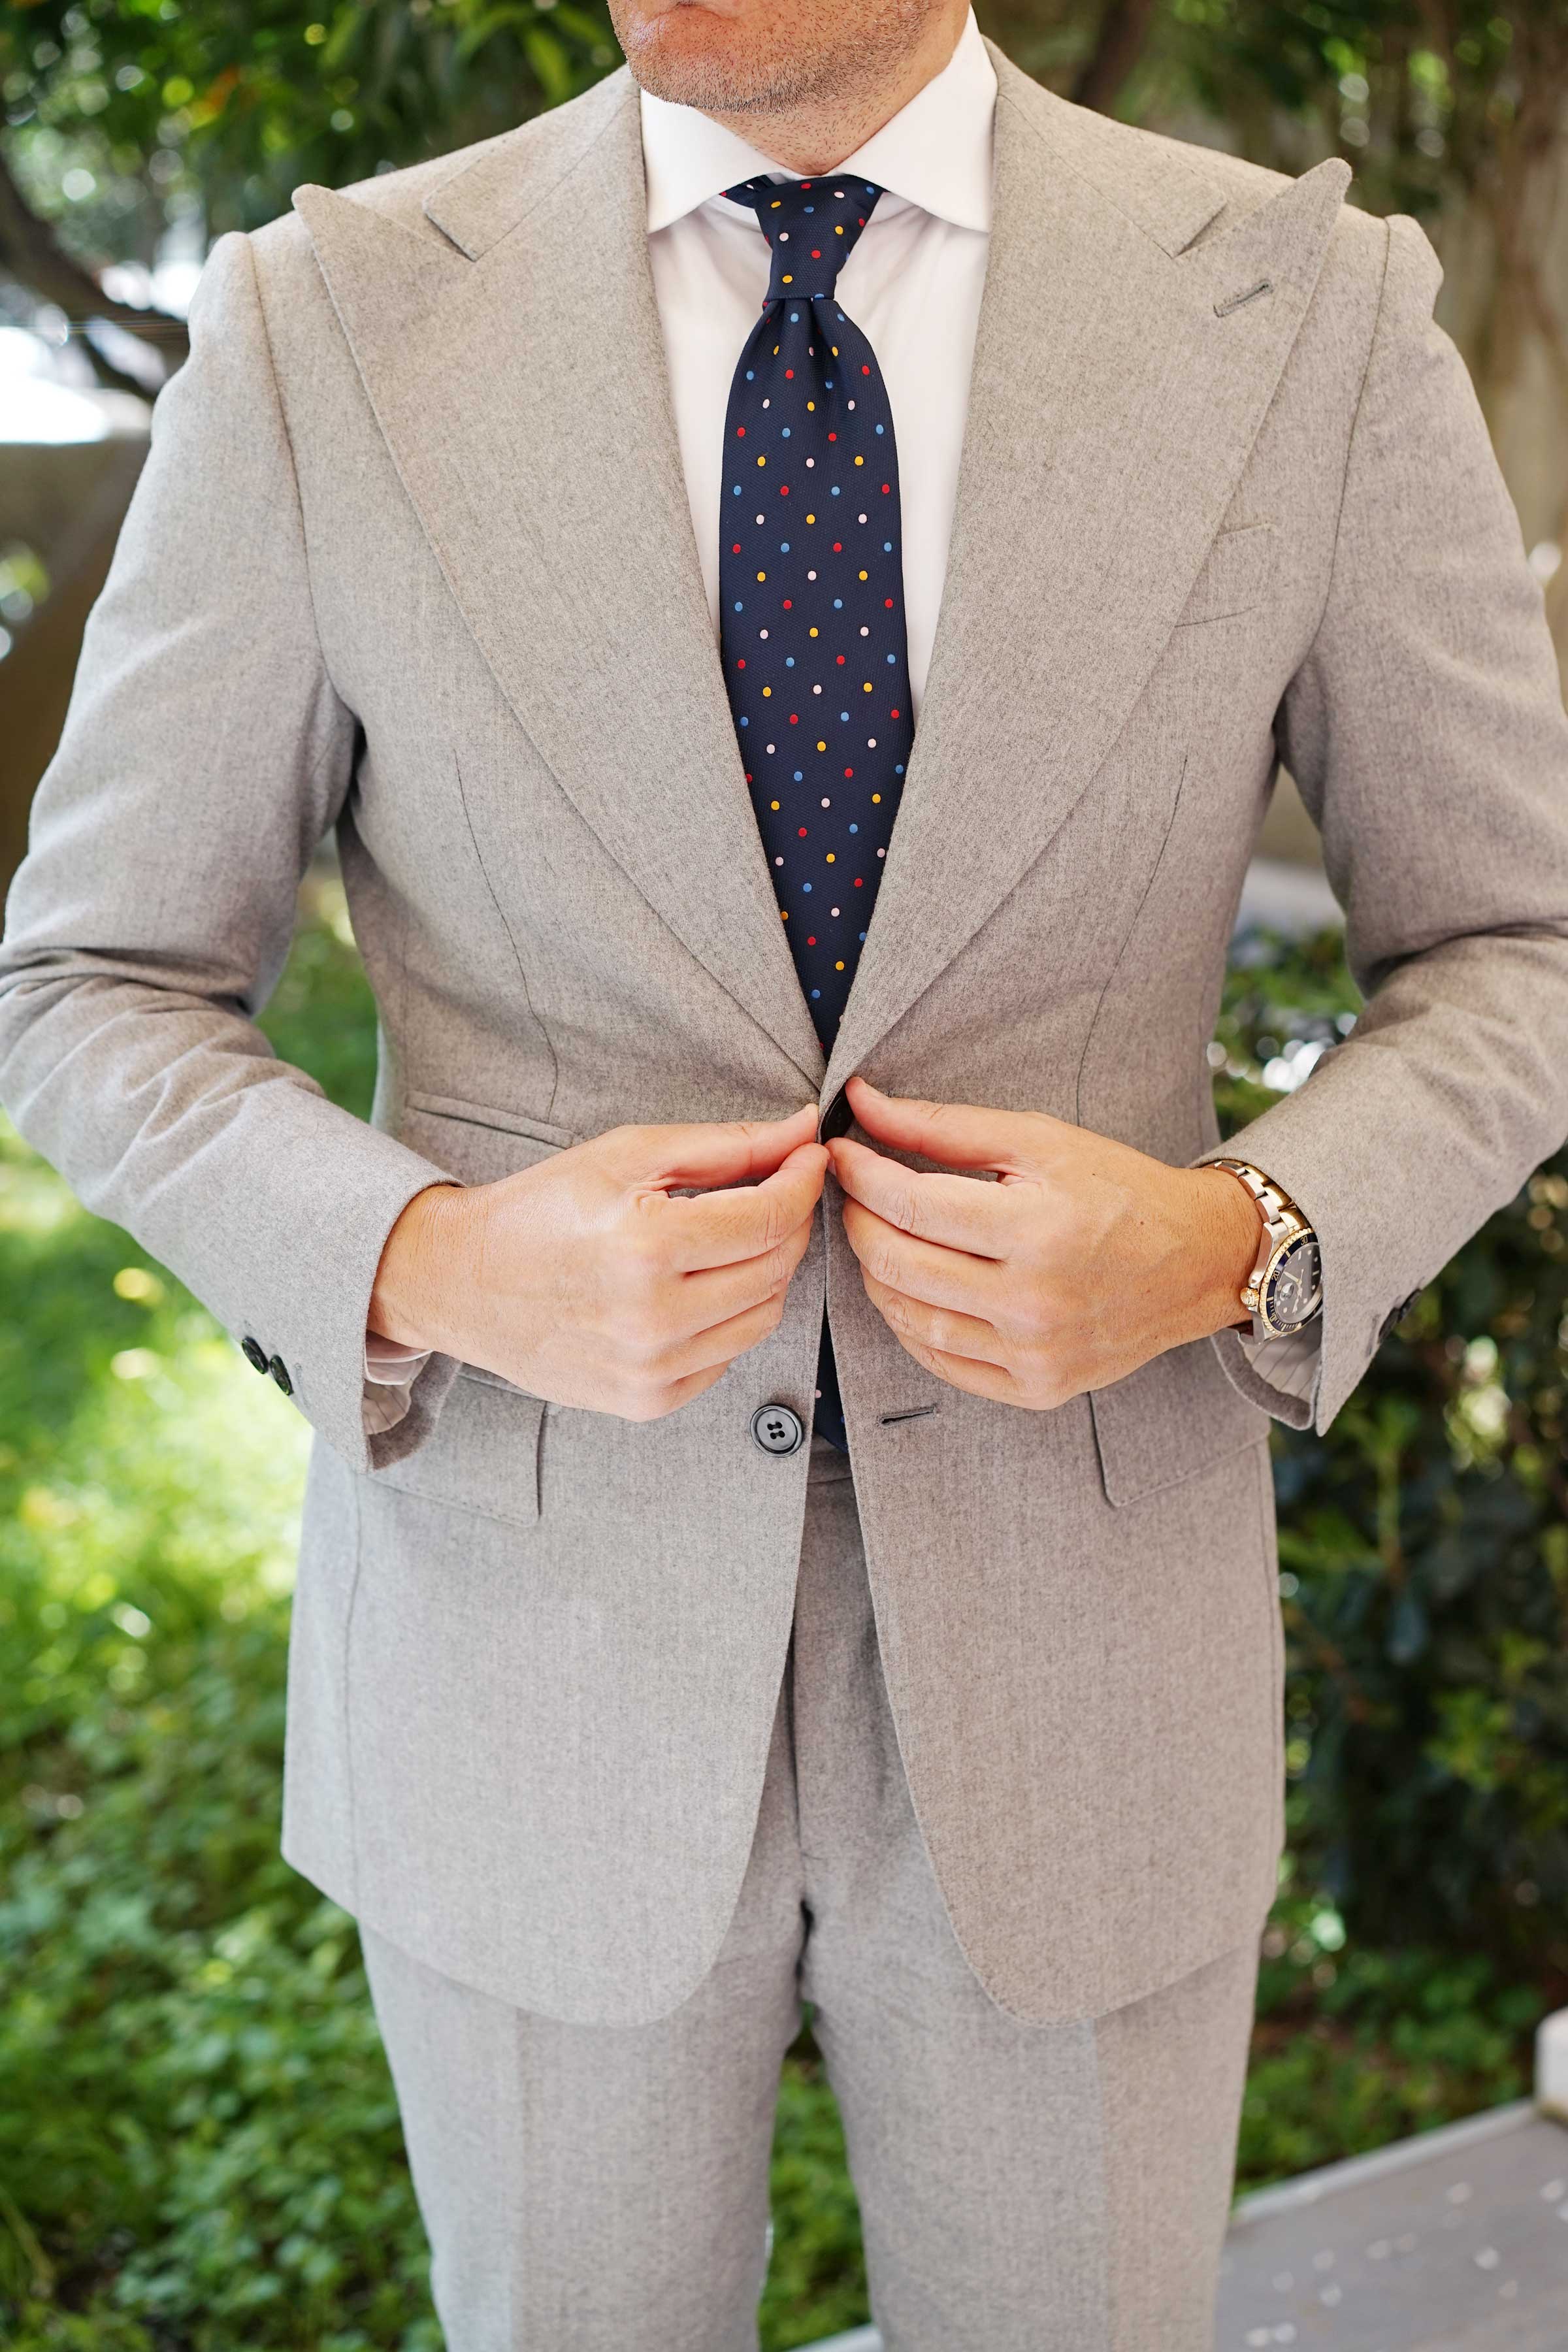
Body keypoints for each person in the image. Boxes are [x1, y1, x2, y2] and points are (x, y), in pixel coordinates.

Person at [5, 0, 1567, 2342]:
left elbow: (1519, 947)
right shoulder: (323, 322)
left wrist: (1245, 1236)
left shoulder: (1303, 314)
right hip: (531, 1657)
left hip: (1088, 1662)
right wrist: (420, 1261)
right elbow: (89, 979)